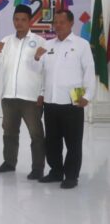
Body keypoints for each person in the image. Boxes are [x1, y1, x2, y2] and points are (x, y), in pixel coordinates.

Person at [37, 10, 95, 189]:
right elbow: (40, 71)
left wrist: (87, 96)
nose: (58, 25)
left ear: (71, 24)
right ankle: (56, 172)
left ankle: (71, 176)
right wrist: (37, 57)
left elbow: (89, 71)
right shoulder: (47, 45)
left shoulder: (81, 44)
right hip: (51, 100)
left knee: (73, 142)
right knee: (52, 141)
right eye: (55, 22)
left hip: (73, 100)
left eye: (62, 22)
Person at [0, 4, 46, 179]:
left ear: (30, 21)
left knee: (36, 135)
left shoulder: (40, 41)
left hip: (31, 97)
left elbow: (45, 70)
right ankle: (9, 163)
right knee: (9, 133)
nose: (19, 23)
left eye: (23, 19)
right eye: (16, 19)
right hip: (9, 96)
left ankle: (37, 168)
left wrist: (42, 93)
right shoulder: (6, 40)